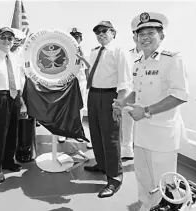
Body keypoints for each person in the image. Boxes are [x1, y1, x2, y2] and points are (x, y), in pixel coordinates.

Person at [114, 12, 189, 210]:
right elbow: (137, 93)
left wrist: (146, 110)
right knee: (142, 172)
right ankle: (147, 203)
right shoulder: (139, 63)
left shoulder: (172, 59)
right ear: (136, 38)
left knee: (164, 177)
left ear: (161, 36)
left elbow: (180, 95)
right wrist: (123, 102)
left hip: (162, 132)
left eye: (151, 32)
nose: (145, 37)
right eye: (141, 34)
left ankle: (170, 206)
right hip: (142, 130)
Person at [76, 21, 133, 198]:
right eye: (97, 32)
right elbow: (95, 70)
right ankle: (101, 164)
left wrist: (119, 104)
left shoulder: (119, 51)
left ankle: (114, 178)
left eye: (104, 31)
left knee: (111, 137)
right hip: (93, 95)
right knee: (96, 133)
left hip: (110, 96)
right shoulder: (94, 52)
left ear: (113, 32)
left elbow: (125, 80)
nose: (100, 34)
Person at [0, 27, 25, 183]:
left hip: (14, 96)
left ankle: (8, 161)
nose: (7, 41)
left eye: (10, 38)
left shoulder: (14, 57)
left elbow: (20, 78)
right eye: (3, 38)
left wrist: (20, 99)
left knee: (13, 131)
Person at [58, 28, 92, 149]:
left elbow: (88, 68)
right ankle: (64, 131)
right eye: (73, 36)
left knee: (80, 106)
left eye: (77, 37)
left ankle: (77, 130)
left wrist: (89, 83)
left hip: (81, 82)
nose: (75, 39)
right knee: (65, 106)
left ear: (81, 39)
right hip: (67, 82)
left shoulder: (86, 52)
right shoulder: (63, 51)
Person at [120, 31, 144, 160]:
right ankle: (127, 149)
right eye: (137, 34)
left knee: (143, 126)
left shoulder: (152, 54)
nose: (139, 37)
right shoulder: (128, 54)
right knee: (127, 123)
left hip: (146, 96)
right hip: (131, 93)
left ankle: (140, 151)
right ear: (134, 37)